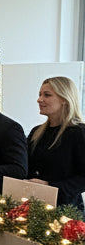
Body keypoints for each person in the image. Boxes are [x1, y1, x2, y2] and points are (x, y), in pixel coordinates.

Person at [27, 75, 85, 212]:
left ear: (65, 99)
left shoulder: (79, 133)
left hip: (65, 211)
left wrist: (50, 186)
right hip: (33, 207)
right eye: (40, 94)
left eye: (47, 95)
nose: (39, 99)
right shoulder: (36, 132)